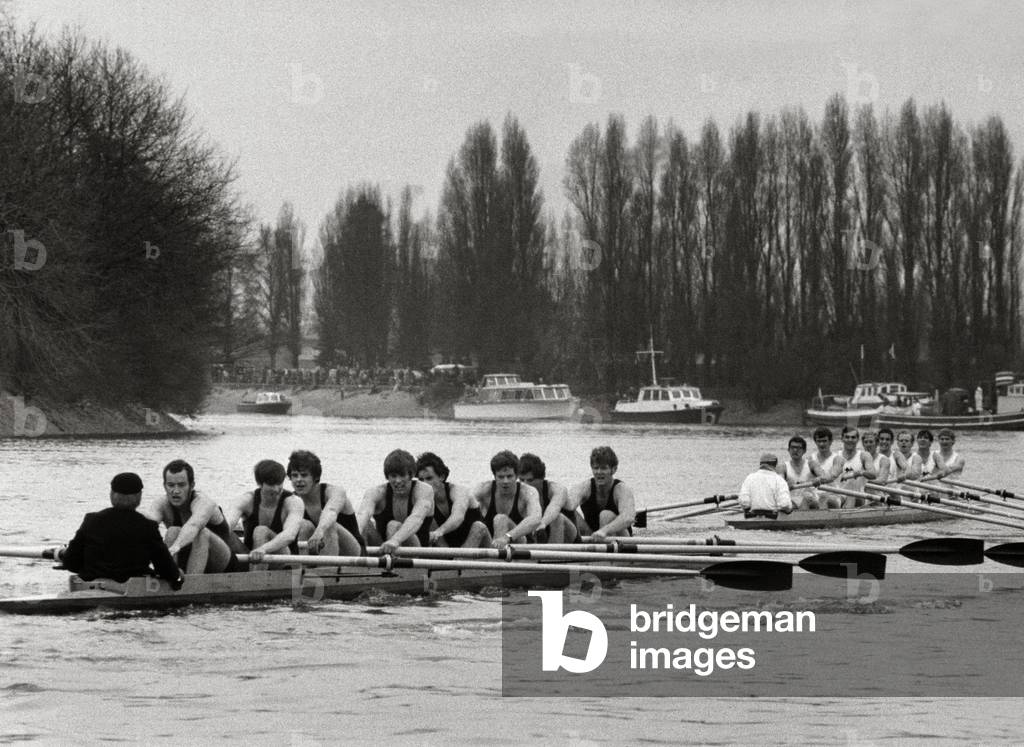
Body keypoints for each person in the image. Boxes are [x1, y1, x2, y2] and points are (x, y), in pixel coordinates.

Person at [58, 472, 184, 588]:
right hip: (130, 589)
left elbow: (70, 562)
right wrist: (177, 576)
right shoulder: (147, 526)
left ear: (112, 494)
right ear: (139, 497)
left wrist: (91, 569)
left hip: (89, 585)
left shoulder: (92, 520)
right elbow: (165, 568)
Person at [141, 459, 242, 574]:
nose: (176, 491)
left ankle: (191, 584)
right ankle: (170, 577)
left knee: (201, 533)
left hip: (223, 563)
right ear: (164, 486)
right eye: (171, 485)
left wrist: (174, 548)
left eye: (181, 485)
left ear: (192, 485)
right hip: (189, 559)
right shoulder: (161, 504)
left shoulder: (204, 502)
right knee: (173, 531)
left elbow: (193, 525)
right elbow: (148, 526)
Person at [223, 459, 306, 564]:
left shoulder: (293, 502)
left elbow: (289, 535)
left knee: (261, 531)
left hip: (284, 560)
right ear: (260, 483)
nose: (276, 489)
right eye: (271, 485)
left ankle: (255, 577)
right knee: (215, 530)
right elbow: (225, 527)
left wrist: (263, 549)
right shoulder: (246, 500)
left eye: (279, 483)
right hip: (251, 556)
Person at [287, 450, 364, 556]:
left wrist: (320, 531)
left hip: (352, 552)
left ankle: (326, 569)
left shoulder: (334, 492)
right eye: (294, 476)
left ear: (316, 478)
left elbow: (331, 511)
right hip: (316, 552)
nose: (298, 480)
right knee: (304, 525)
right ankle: (301, 569)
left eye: (304, 475)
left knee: (329, 524)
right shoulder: (291, 500)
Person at [358, 449, 435, 554]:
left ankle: (392, 560)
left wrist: (395, 540)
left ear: (411, 475)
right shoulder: (377, 492)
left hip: (416, 551)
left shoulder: (424, 490)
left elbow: (417, 517)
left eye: (402, 475)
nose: (398, 481)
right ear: (387, 477)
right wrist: (356, 533)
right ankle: (362, 563)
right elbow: (363, 514)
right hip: (383, 549)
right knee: (364, 525)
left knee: (393, 525)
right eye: (393, 476)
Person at [416, 452, 491, 548]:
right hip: (452, 550)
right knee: (427, 517)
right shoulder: (425, 501)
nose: (425, 484)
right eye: (421, 480)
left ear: (442, 476)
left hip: (481, 547)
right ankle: (454, 560)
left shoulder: (459, 491)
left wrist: (439, 532)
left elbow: (458, 517)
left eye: (429, 478)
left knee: (478, 526)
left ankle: (460, 560)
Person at [473, 450, 543, 549]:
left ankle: (495, 561)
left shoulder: (528, 492)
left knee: (500, 519)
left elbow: (536, 519)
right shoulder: (483, 489)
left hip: (520, 545)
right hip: (492, 544)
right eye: (501, 477)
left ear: (517, 476)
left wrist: (507, 537)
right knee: (477, 526)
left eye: (509, 476)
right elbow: (464, 508)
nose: (505, 481)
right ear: (494, 476)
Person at [568, 446, 636, 541]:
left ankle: (602, 548)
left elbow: (629, 517)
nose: (599, 472)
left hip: (622, 541)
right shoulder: (584, 487)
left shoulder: (622, 489)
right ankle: (591, 542)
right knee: (568, 511)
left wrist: (604, 531)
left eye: (604, 468)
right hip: (592, 535)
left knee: (606, 515)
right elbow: (566, 506)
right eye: (596, 468)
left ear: (614, 469)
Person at [518, 453, 578, 543]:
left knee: (557, 517)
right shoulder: (518, 492)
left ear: (542, 478)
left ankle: (553, 556)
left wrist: (543, 523)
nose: (525, 484)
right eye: (522, 480)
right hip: (539, 539)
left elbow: (555, 507)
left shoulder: (557, 489)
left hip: (570, 539)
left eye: (530, 480)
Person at [829, 426, 876, 507]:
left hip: (859, 496)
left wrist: (860, 472)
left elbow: (873, 474)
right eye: (847, 437)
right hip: (839, 496)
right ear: (842, 439)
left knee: (851, 496)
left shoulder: (864, 455)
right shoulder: (835, 456)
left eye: (853, 437)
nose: (850, 440)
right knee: (826, 499)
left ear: (857, 439)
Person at [777, 436, 827, 510]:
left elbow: (824, 476)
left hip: (811, 500)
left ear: (804, 451)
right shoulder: (782, 467)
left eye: (798, 448)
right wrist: (784, 485)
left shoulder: (812, 464)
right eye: (792, 447)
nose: (795, 450)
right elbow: (779, 484)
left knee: (806, 500)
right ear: (788, 450)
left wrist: (819, 479)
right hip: (792, 501)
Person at [738, 454, 793, 519]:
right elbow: (784, 504)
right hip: (772, 518)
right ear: (775, 465)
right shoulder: (779, 480)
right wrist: (790, 509)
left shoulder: (749, 478)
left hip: (752, 518)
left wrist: (748, 509)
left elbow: (744, 502)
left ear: (760, 464)